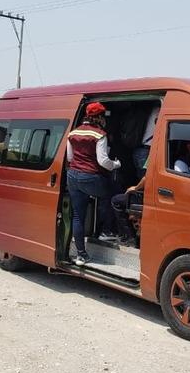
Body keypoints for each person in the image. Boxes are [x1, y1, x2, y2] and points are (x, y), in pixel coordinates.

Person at [66, 102, 121, 266]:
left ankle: (81, 255)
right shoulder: (99, 134)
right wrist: (116, 164)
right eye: (103, 116)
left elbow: (70, 158)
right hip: (91, 177)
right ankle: (106, 231)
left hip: (73, 177)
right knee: (113, 195)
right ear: (98, 117)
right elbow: (103, 161)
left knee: (78, 216)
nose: (104, 119)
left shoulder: (73, 133)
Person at [111, 158, 146, 247]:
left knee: (116, 201)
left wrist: (136, 188)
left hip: (146, 196)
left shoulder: (154, 154)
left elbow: (147, 177)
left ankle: (129, 237)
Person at [132, 106, 160, 180]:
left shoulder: (149, 110)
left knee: (141, 177)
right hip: (147, 151)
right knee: (146, 179)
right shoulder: (158, 110)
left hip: (139, 150)